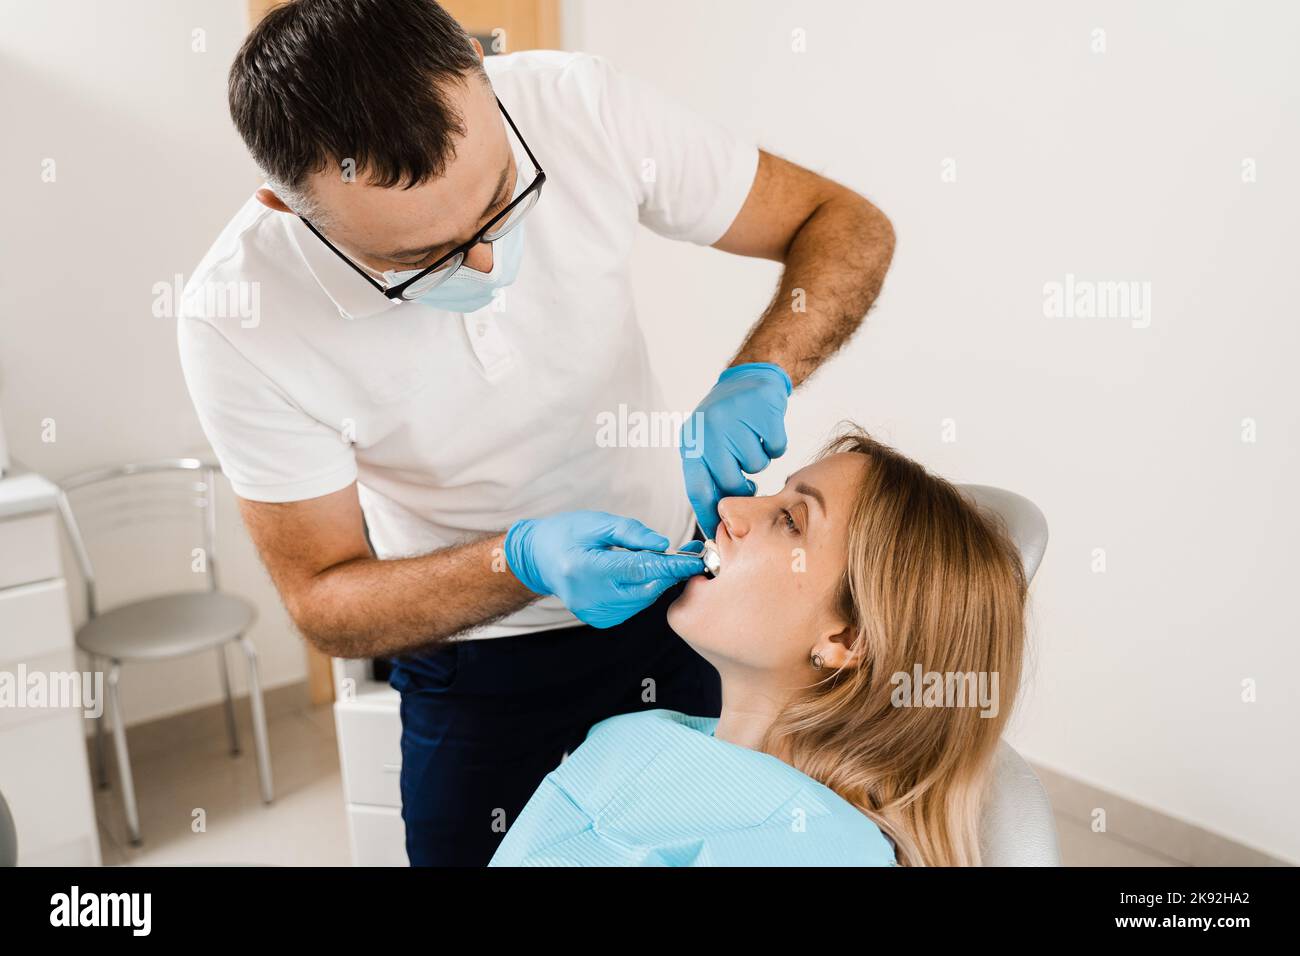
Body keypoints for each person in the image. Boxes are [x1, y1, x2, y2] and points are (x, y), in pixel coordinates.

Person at [177, 0, 895, 865]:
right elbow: (323, 601)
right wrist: (511, 561)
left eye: (500, 200)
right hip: (475, 667)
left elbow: (846, 224)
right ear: (287, 208)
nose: (484, 263)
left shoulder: (577, 107)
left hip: (685, 613)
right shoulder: (238, 317)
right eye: (419, 261)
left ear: (484, 75)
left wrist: (765, 370)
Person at [491, 427, 1027, 866]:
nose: (729, 507)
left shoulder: (820, 851)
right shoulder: (639, 733)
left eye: (791, 521)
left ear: (846, 638)